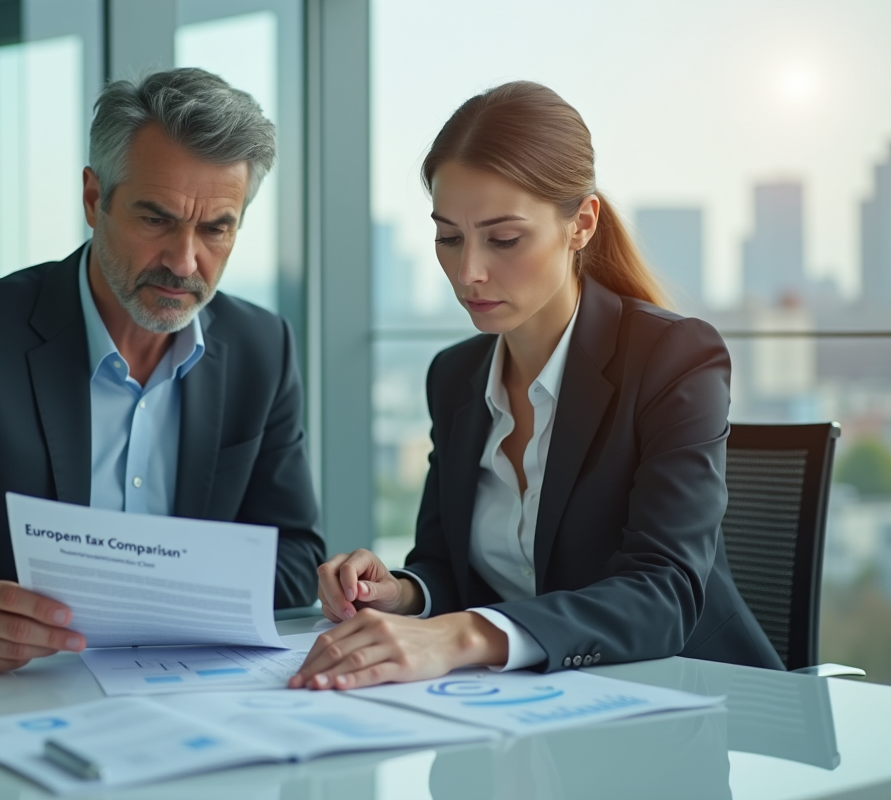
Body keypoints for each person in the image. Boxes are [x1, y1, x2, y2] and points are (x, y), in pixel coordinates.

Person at [0, 68, 324, 675]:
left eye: (217, 228)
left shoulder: (261, 346)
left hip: (189, 699)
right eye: (156, 219)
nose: (185, 261)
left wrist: (158, 598)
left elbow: (294, 556)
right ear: (93, 198)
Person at [292, 81, 782, 691]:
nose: (469, 271)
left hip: (692, 704)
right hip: (525, 714)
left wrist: (463, 635)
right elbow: (448, 566)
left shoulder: (673, 356)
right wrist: (404, 593)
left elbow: (664, 595)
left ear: (580, 225)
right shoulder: (455, 376)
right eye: (449, 237)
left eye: (504, 239)